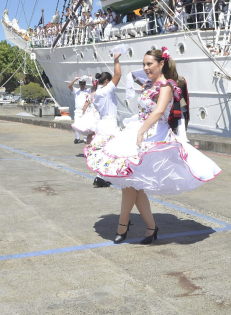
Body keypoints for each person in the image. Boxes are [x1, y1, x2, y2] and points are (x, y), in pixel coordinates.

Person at [85, 48, 221, 244]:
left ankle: (124, 226)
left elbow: (158, 112)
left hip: (154, 134)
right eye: (144, 64)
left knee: (131, 184)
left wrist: (141, 131)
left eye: (149, 64)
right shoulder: (149, 84)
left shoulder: (167, 85)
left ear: (161, 64)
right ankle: (148, 227)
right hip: (139, 130)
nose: (146, 68)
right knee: (133, 184)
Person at [81, 51, 123, 188]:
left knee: (103, 150)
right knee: (115, 150)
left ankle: (100, 177)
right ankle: (106, 176)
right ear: (106, 81)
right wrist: (116, 60)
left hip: (102, 123)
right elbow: (118, 75)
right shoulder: (106, 91)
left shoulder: (95, 93)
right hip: (110, 123)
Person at [67, 76, 93, 144]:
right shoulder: (76, 90)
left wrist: (92, 79)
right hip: (77, 110)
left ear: (85, 84)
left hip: (85, 110)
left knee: (85, 124)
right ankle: (77, 138)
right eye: (81, 84)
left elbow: (94, 87)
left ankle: (85, 139)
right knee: (76, 124)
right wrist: (74, 79)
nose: (82, 85)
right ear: (79, 84)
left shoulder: (87, 90)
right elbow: (69, 86)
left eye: (83, 84)